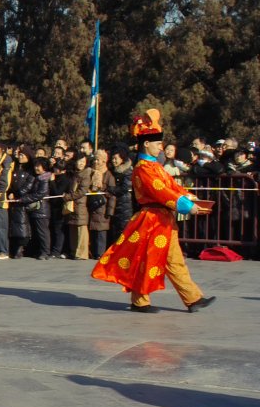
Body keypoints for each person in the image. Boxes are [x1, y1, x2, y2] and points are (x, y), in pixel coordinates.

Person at [91, 109, 216, 313]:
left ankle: (192, 298)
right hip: (153, 219)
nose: (161, 147)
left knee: (173, 260)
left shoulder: (154, 167)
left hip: (164, 219)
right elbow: (161, 191)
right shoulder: (143, 168)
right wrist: (186, 205)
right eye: (158, 143)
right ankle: (140, 300)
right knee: (146, 259)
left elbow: (172, 187)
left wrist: (191, 198)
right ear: (146, 143)